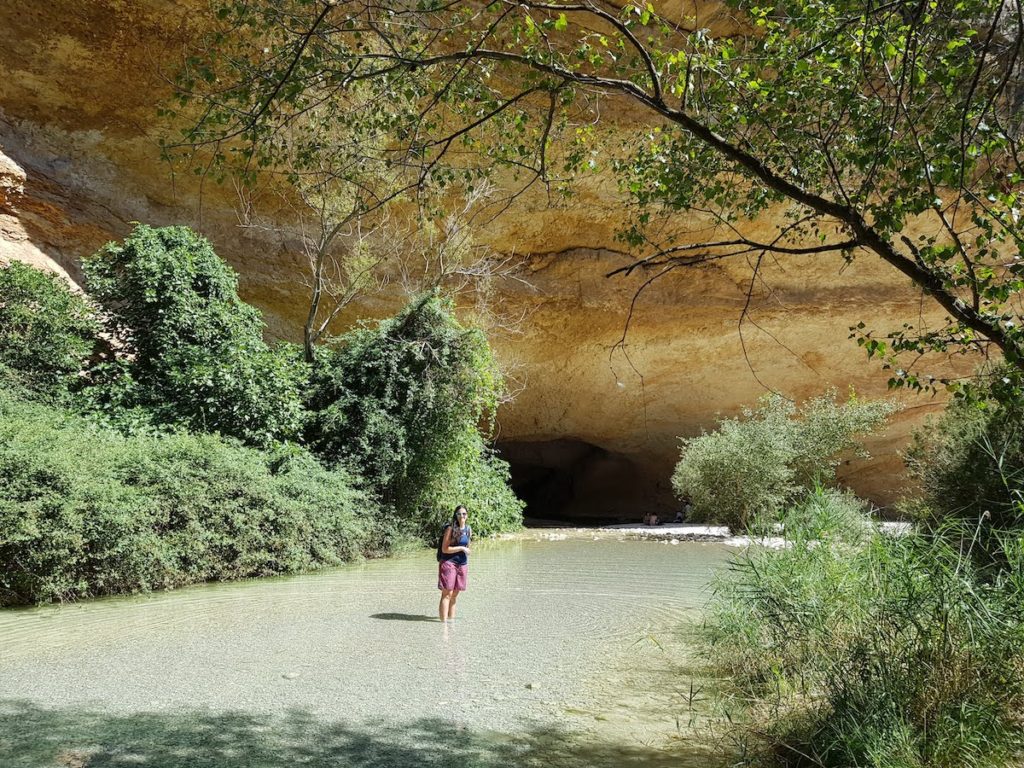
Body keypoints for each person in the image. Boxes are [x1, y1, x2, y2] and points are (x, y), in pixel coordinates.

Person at [438, 505, 471, 622]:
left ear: (467, 515)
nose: (462, 516)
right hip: (449, 563)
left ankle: (451, 623)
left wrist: (465, 549)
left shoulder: (468, 529)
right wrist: (462, 548)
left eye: (464, 514)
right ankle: (443, 625)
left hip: (462, 564)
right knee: (447, 593)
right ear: (455, 516)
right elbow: (445, 549)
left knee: (455, 595)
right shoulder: (450, 529)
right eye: (459, 514)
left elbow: (468, 546)